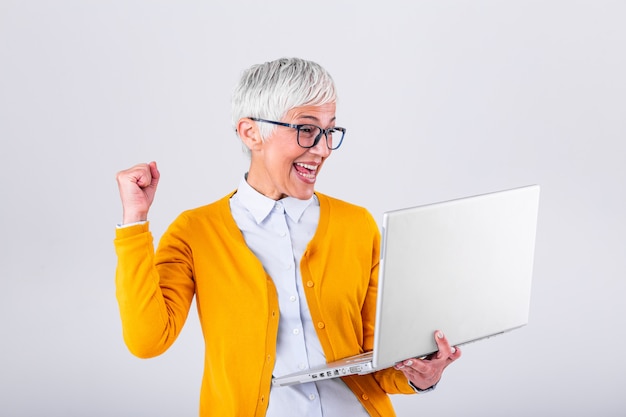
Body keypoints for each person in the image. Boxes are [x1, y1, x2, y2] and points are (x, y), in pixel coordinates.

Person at [114, 57, 461, 417]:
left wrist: (421, 375)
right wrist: (134, 222)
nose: (323, 149)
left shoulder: (357, 224)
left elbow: (377, 359)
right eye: (307, 130)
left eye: (330, 131)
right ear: (251, 133)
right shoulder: (196, 231)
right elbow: (147, 340)